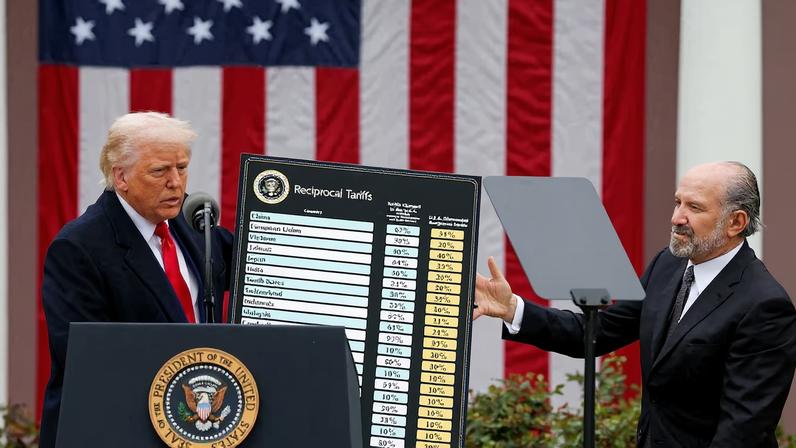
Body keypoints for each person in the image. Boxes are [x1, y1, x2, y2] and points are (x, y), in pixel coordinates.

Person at [475, 162, 795, 447]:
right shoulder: (667, 265)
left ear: (736, 222)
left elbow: (742, 432)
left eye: (694, 207)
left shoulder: (765, 306)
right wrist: (512, 308)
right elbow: (595, 332)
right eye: (677, 202)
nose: (676, 218)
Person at [39, 112, 233, 446]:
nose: (176, 182)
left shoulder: (192, 221)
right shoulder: (79, 247)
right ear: (121, 176)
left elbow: (255, 265)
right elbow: (85, 358)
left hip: (193, 427)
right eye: (160, 171)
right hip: (115, 430)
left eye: (182, 168)